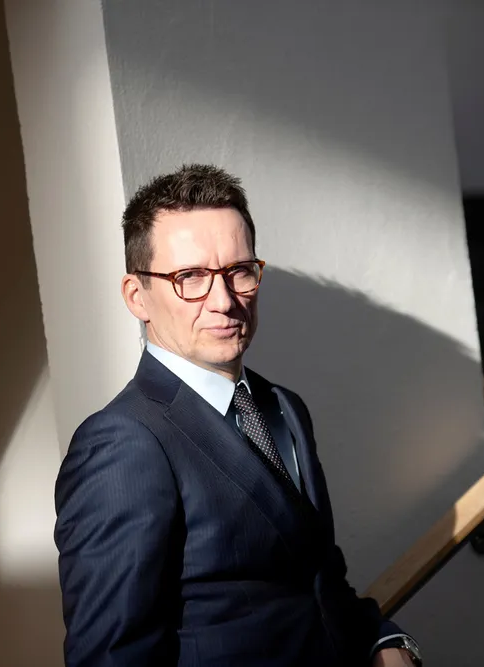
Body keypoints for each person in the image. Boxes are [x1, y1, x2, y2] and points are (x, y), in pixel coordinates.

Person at [54, 164, 422, 666]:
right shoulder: (122, 442)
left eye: (239, 271)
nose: (224, 301)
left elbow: (315, 580)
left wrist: (382, 639)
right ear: (137, 297)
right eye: (190, 278)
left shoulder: (284, 407)